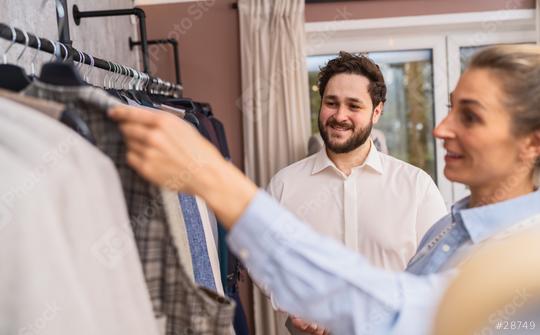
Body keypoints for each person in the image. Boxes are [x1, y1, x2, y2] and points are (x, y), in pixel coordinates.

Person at [108, 44, 540, 334]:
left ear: (533, 142)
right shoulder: (451, 227)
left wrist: (211, 177)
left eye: (471, 116)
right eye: (449, 109)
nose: (441, 129)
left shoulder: (524, 260)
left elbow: (394, 311)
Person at [267, 52, 446, 334]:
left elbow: (441, 273)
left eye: (354, 105)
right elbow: (264, 260)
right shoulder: (284, 185)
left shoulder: (417, 187)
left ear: (377, 111)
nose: (339, 116)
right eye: (331, 103)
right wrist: (293, 302)